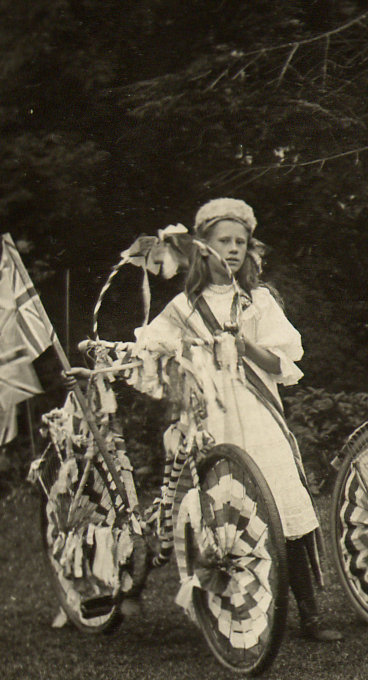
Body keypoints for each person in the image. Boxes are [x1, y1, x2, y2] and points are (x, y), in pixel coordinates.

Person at [136, 198, 344, 642]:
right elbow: (150, 351)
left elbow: (282, 362)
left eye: (240, 242)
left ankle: (309, 612)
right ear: (201, 249)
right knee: (223, 512)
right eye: (222, 241)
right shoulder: (182, 309)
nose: (232, 249)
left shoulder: (258, 301)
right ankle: (232, 606)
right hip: (212, 421)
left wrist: (244, 345)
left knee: (283, 497)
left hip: (258, 414)